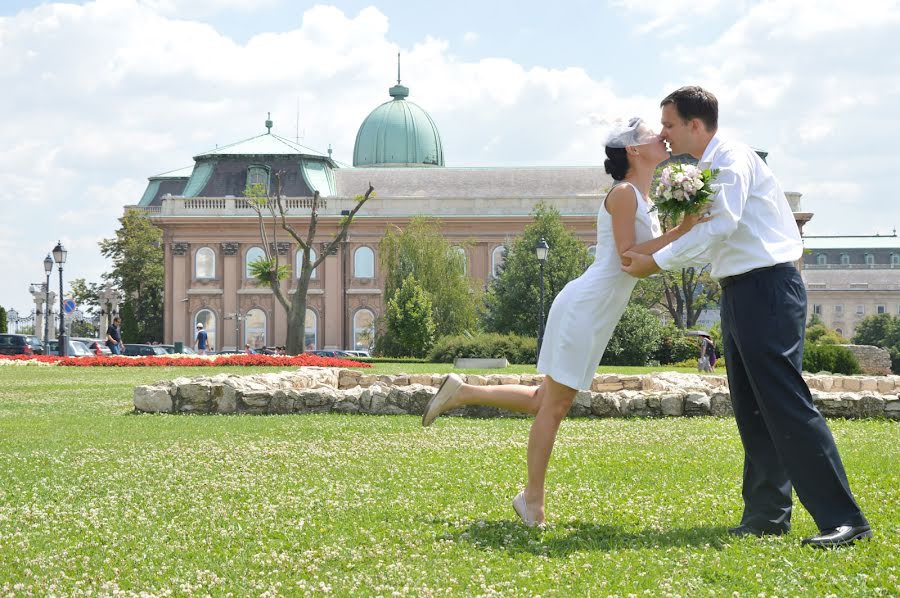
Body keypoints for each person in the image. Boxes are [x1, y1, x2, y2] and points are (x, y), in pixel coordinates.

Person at [422, 117, 709, 526]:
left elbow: (647, 258)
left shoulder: (644, 199)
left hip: (595, 310)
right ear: (633, 149)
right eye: (652, 134)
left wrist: (685, 231)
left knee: (546, 401)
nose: (663, 137)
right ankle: (532, 501)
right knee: (553, 408)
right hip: (586, 307)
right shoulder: (625, 193)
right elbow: (630, 257)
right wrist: (683, 230)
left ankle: (462, 392)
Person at [622, 86, 871, 548]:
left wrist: (657, 262)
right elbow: (714, 234)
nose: (664, 134)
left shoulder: (730, 160)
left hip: (768, 288)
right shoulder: (707, 166)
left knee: (785, 402)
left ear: (696, 125)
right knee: (753, 407)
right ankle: (766, 514)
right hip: (741, 290)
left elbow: (723, 224)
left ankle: (845, 519)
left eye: (670, 125)